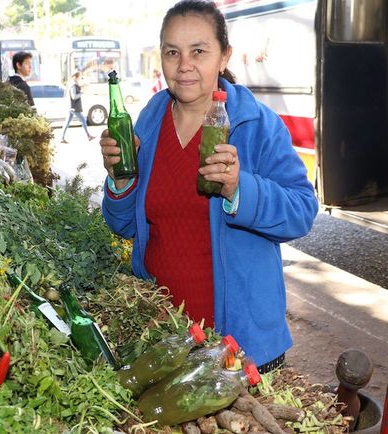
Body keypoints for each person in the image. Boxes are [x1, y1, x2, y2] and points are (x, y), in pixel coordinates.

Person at [99, 0, 318, 372]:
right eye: (172, 52)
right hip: (163, 338)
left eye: (198, 51)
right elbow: (124, 226)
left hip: (240, 347)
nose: (184, 65)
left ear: (224, 56)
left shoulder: (256, 125)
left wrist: (239, 189)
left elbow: (302, 212)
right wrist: (121, 181)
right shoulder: (149, 123)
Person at [61, 72, 96, 143]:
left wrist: (82, 87)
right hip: (74, 108)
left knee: (67, 122)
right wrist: (82, 92)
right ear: (76, 77)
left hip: (72, 107)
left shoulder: (74, 84)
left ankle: (62, 138)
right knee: (83, 119)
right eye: (80, 76)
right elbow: (74, 97)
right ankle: (89, 136)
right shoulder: (73, 85)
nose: (80, 78)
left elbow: (78, 88)